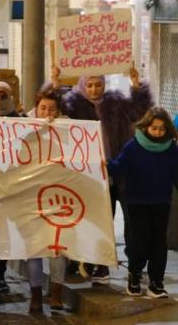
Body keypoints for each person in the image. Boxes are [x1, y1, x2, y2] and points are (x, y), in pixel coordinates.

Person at [51, 65, 152, 285]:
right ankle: (101, 266)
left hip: (120, 171)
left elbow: (140, 109)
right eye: (90, 85)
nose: (94, 89)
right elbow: (53, 110)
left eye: (98, 84)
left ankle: (135, 266)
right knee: (99, 222)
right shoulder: (74, 104)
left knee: (131, 223)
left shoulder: (116, 102)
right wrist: (55, 84)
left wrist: (137, 84)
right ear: (83, 85)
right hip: (92, 175)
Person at [108, 107, 178, 299]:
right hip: (137, 202)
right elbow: (119, 167)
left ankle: (156, 282)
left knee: (158, 243)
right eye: (154, 128)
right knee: (139, 242)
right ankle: (134, 276)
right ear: (146, 126)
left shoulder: (171, 149)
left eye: (162, 129)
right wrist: (105, 164)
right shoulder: (133, 147)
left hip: (161, 202)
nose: (158, 132)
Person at [26, 87, 69, 311]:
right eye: (43, 108)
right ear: (36, 108)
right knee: (33, 249)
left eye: (51, 109)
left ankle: (56, 294)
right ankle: (35, 296)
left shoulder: (69, 127)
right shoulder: (24, 127)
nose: (47, 112)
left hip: (57, 196)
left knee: (57, 248)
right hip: (31, 195)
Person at [0, 81, 22, 293]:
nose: (0, 100)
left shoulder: (19, 121)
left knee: (3, 233)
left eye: (4, 96)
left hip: (8, 183)